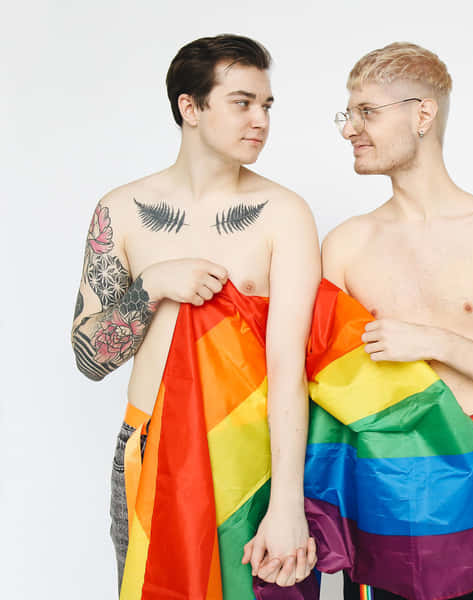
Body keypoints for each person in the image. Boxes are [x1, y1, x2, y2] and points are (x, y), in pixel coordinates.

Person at [69, 34, 319, 594]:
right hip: (148, 446)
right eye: (242, 102)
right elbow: (89, 357)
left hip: (252, 451)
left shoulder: (285, 214)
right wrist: (152, 286)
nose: (260, 119)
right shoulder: (122, 210)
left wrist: (287, 503)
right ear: (190, 107)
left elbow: (288, 365)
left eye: (267, 105)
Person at [325, 42, 473, 600]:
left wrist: (431, 342)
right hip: (383, 466)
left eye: (367, 112)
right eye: (348, 113)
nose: (349, 129)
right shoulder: (346, 244)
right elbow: (317, 380)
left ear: (422, 114)